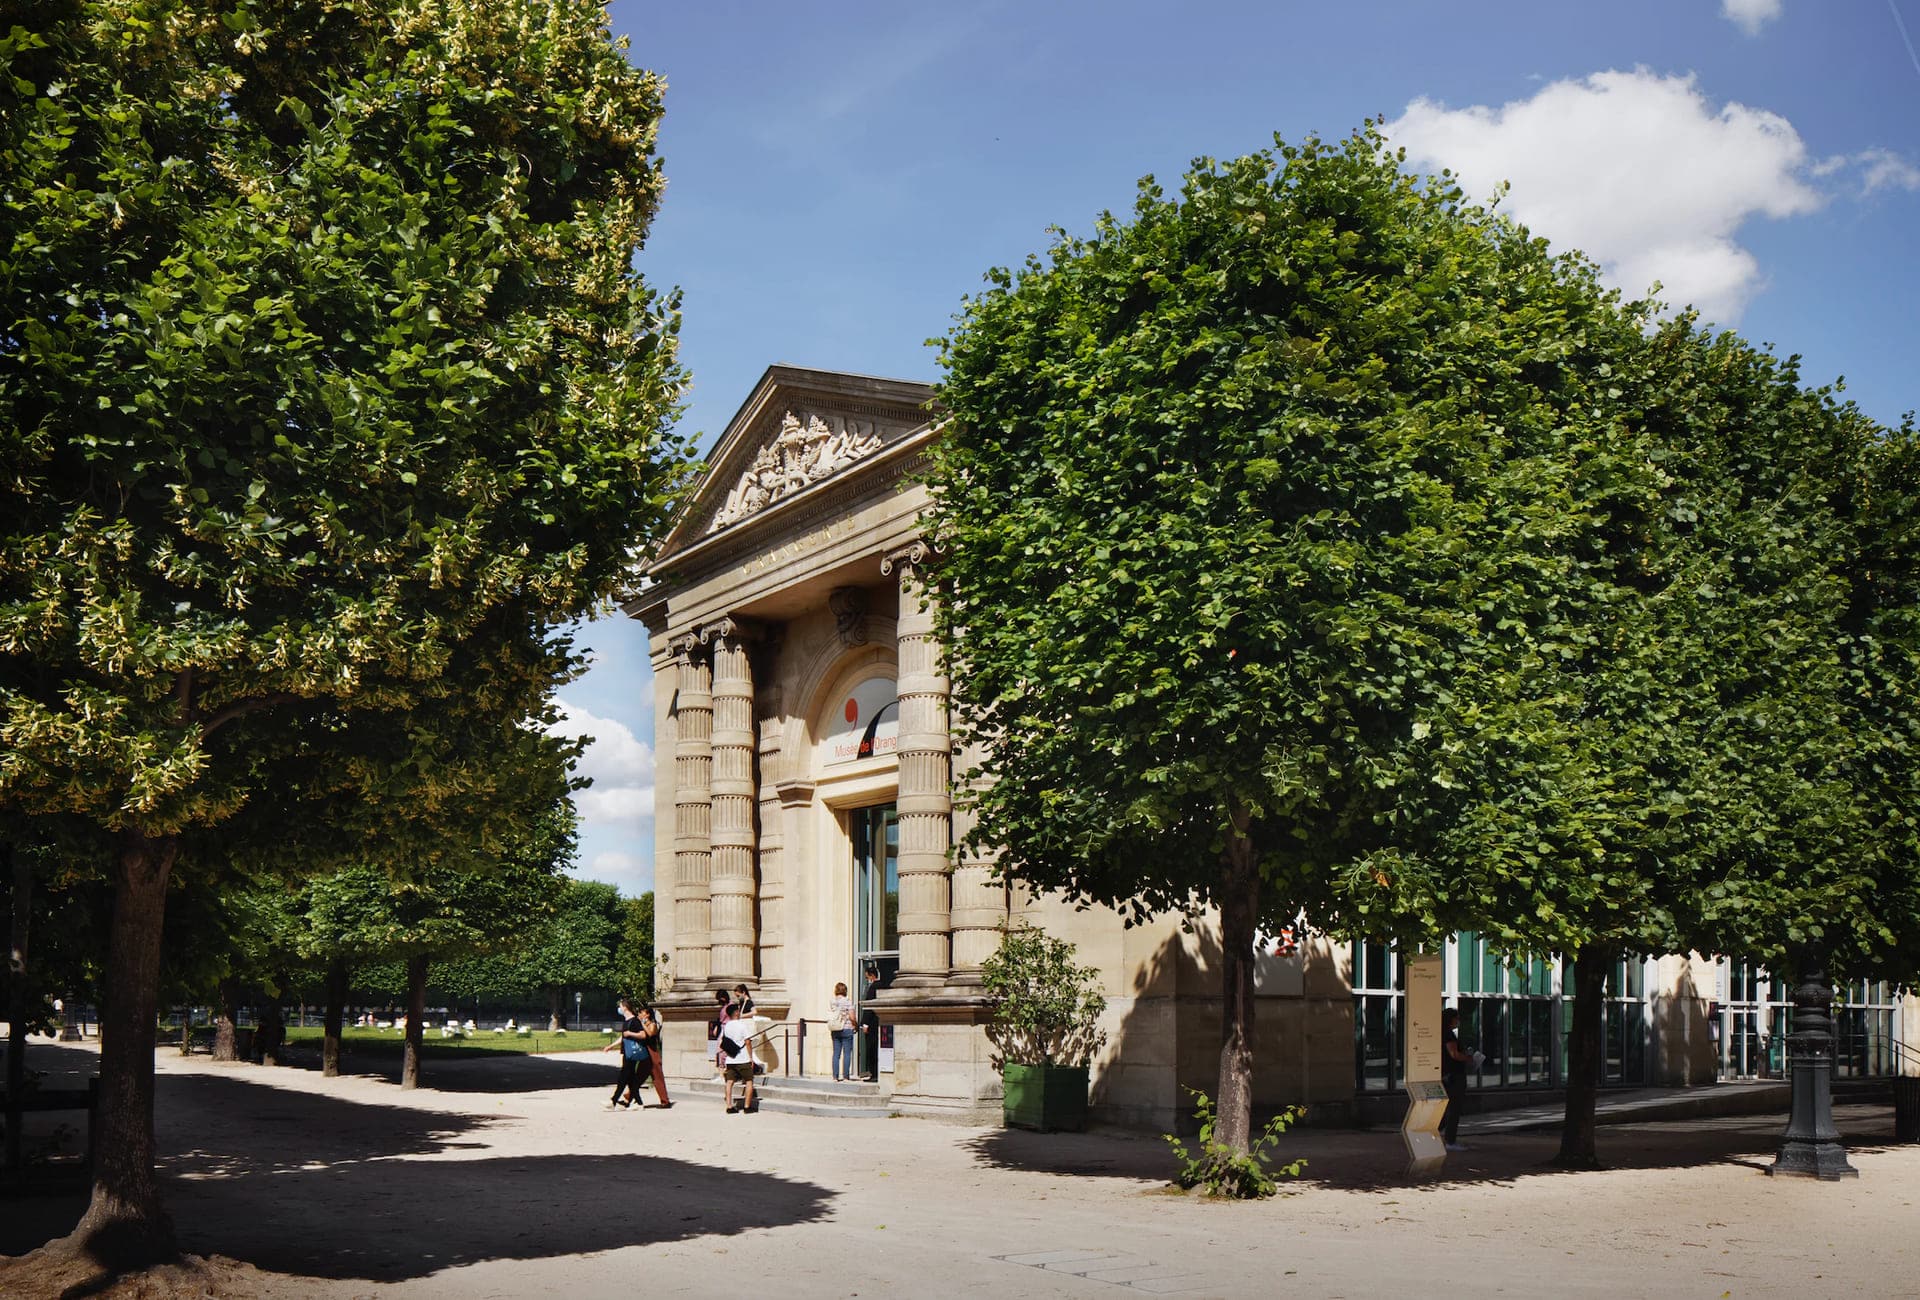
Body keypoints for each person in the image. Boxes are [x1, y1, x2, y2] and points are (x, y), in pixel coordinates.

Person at [600, 997, 648, 1110]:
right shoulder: (626, 1022)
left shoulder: (634, 1021)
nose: (619, 1009)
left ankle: (613, 1101)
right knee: (630, 1080)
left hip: (632, 1053)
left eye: (620, 1006)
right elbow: (623, 1037)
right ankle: (639, 1103)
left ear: (625, 1007)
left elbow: (643, 1035)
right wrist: (611, 1046)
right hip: (626, 1053)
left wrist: (630, 1033)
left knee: (623, 1077)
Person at [1441, 1006, 1472, 1152]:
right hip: (1454, 1076)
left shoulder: (1443, 1033)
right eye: (1457, 1018)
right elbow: (1454, 1054)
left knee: (1448, 1108)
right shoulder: (1448, 1035)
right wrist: (1468, 1058)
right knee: (1454, 1108)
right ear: (1451, 1019)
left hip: (1448, 1075)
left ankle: (1439, 1135)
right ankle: (1450, 1140)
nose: (1458, 1021)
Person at [718, 1010, 756, 1113]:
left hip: (730, 1059)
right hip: (743, 1058)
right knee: (749, 1081)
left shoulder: (726, 1026)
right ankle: (747, 1107)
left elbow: (723, 1041)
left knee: (729, 1082)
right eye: (738, 1011)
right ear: (736, 1013)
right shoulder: (742, 1025)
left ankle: (729, 1107)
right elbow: (747, 1042)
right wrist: (751, 1057)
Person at [639, 1004, 672, 1108]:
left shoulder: (652, 1024)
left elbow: (650, 1033)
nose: (640, 1014)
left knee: (657, 1077)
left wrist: (642, 1024)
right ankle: (628, 1097)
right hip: (645, 1053)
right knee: (638, 1076)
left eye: (642, 1012)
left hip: (653, 1053)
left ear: (647, 1014)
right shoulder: (643, 1025)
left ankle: (665, 1101)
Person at [828, 981, 857, 1081]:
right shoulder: (847, 1001)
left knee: (836, 1054)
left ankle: (835, 1076)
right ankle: (845, 1076)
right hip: (846, 1028)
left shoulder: (832, 1002)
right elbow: (852, 1017)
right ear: (845, 990)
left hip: (835, 1028)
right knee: (847, 1053)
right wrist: (855, 1024)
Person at [858, 962, 882, 1081]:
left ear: (872, 976)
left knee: (871, 1049)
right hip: (878, 1022)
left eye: (867, 977)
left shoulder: (873, 987)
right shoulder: (882, 985)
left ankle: (874, 1073)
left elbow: (869, 1007)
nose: (867, 979)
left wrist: (865, 1023)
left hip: (872, 1023)